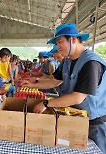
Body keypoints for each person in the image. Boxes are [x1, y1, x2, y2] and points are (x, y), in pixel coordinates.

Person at [21, 23, 106, 153]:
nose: (58, 48)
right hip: (75, 117)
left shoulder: (91, 63)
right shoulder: (67, 61)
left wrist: (46, 103)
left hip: (95, 124)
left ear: (72, 39)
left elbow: (77, 97)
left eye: (60, 42)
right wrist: (34, 83)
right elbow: (54, 81)